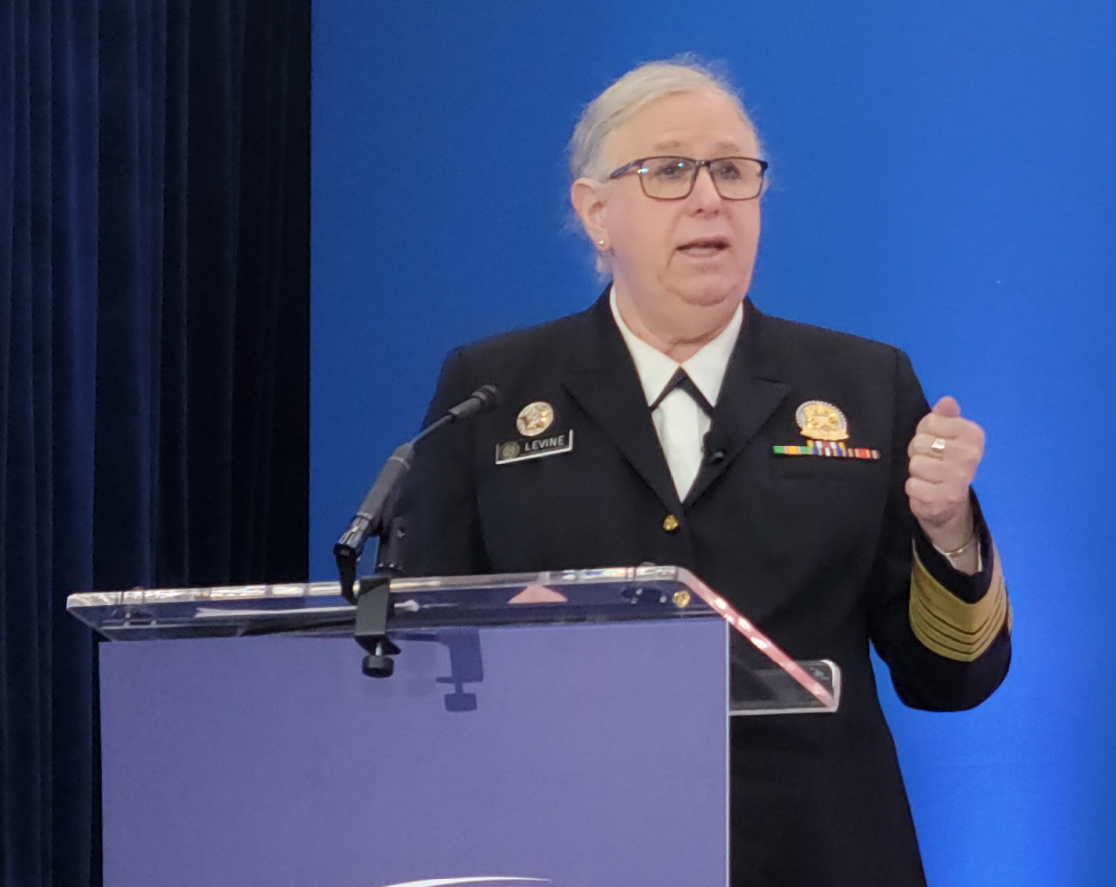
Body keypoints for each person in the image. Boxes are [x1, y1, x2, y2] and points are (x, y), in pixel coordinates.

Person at [398, 58, 1011, 887]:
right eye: (667, 170)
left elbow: (949, 680)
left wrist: (948, 531)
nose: (707, 197)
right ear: (595, 213)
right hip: (563, 848)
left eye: (731, 169)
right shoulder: (493, 391)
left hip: (813, 851)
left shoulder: (862, 385)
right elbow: (419, 663)